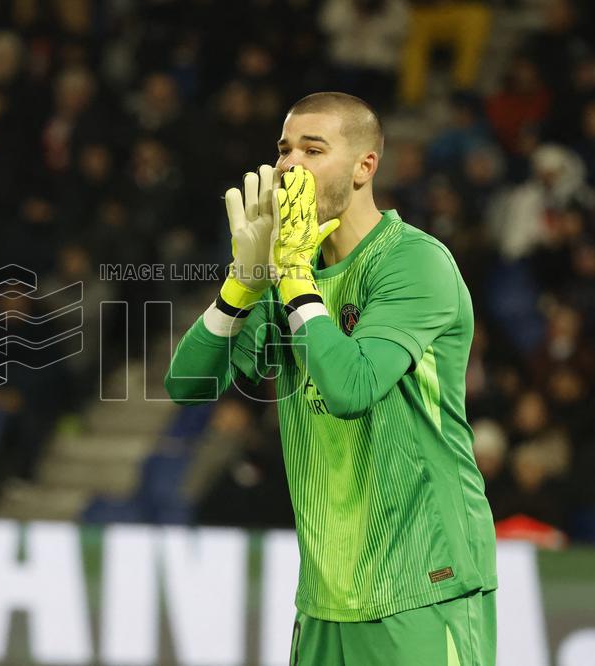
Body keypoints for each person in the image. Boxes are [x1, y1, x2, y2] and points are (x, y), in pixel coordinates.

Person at [165, 92, 497, 665]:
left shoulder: (414, 262)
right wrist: (242, 284)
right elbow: (188, 385)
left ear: (365, 166)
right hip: (326, 593)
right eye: (285, 149)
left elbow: (350, 388)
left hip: (422, 581)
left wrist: (292, 275)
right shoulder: (289, 271)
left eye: (313, 150)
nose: (290, 165)